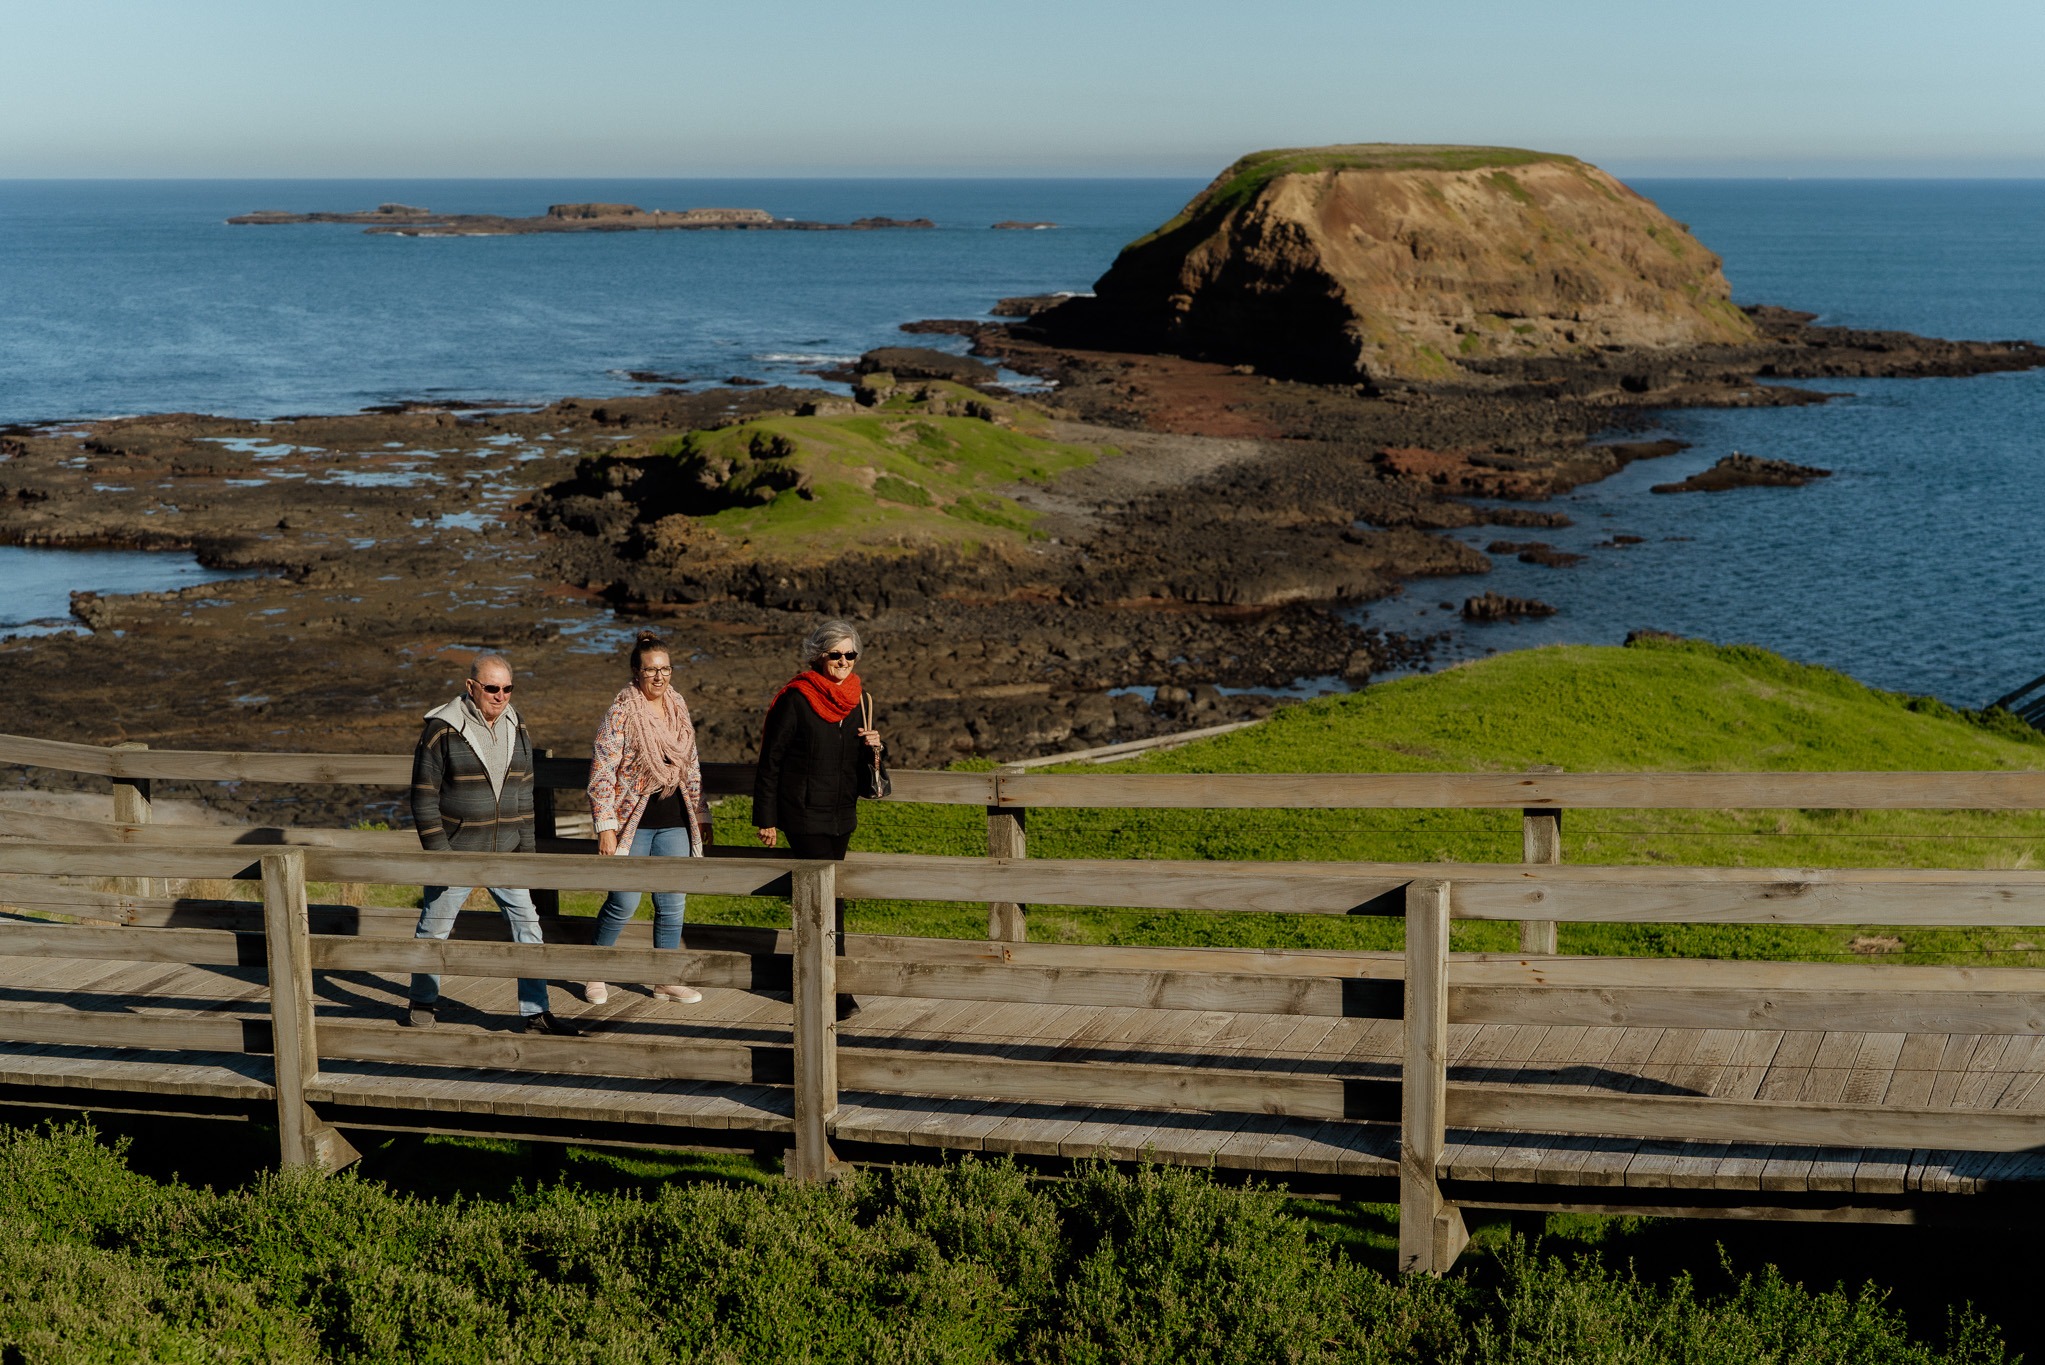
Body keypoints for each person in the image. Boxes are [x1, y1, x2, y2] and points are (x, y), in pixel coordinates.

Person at [406, 651, 580, 1036]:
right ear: (471, 687)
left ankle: (535, 1013)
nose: (500, 696)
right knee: (434, 929)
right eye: (491, 688)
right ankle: (421, 1002)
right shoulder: (441, 730)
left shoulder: (518, 728)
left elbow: (524, 796)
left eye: (507, 688)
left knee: (528, 926)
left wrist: (528, 854)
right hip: (457, 851)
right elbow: (422, 796)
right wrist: (440, 855)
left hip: (507, 850)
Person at [754, 619, 885, 1019]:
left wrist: (877, 746)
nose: (844, 661)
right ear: (818, 656)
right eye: (835, 655)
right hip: (804, 815)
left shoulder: (857, 698)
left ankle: (833, 986)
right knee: (817, 902)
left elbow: (861, 764)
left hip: (842, 814)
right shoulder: (796, 698)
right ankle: (820, 987)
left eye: (850, 654)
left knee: (835, 901)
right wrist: (767, 818)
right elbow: (770, 761)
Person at [584, 631, 709, 1005]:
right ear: (636, 672)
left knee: (671, 902)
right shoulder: (621, 710)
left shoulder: (677, 705)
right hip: (631, 822)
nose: (659, 677)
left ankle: (664, 979)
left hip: (674, 817)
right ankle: (594, 969)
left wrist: (701, 813)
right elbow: (602, 770)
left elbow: (692, 762)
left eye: (665, 669)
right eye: (651, 670)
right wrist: (606, 827)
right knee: (623, 901)